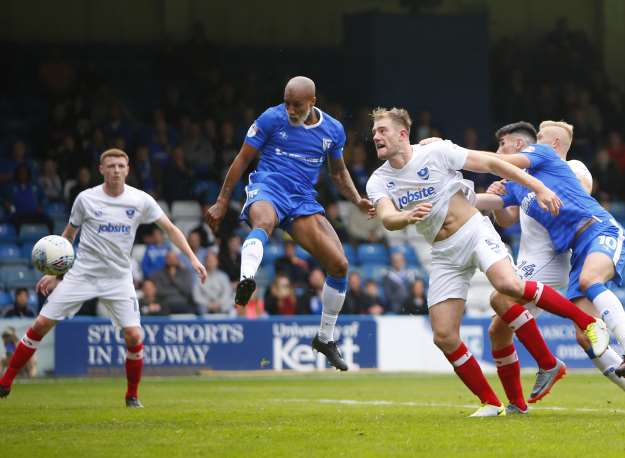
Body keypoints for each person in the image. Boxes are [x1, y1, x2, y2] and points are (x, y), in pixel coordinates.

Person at [365, 107, 608, 417]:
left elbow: (491, 163)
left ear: (402, 134)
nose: (375, 136)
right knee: (444, 335)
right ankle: (492, 404)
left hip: (474, 231)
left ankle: (588, 323)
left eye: (382, 130)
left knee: (507, 286)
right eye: (374, 132)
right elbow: (386, 217)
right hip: (444, 253)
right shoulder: (379, 180)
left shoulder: (436, 151)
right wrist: (403, 216)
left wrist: (539, 186)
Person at [0, 149, 207, 407]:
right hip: (82, 274)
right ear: (101, 169)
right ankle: (5, 381)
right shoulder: (86, 199)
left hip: (119, 278)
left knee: (134, 337)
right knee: (40, 325)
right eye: (111, 166)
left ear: (128, 169)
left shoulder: (140, 200)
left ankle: (132, 395)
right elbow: (67, 237)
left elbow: (171, 229)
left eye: (120, 165)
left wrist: (193, 259)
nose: (116, 170)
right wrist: (56, 274)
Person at [205, 76, 373, 370]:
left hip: (302, 201)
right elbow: (242, 160)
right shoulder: (271, 119)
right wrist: (221, 201)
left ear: (313, 102)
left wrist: (357, 199)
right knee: (264, 222)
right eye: (287, 104)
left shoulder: (332, 130)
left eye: (297, 105)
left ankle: (324, 338)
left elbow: (338, 173)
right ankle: (246, 278)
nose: (291, 110)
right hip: (268, 187)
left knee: (340, 265)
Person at [475, 121, 625, 412]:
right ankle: (518, 402)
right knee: (503, 330)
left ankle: (547, 364)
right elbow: (505, 216)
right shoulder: (523, 182)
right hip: (550, 259)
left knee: (501, 298)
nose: (499, 150)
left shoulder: (567, 166)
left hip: (558, 257)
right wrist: (450, 197)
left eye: (502, 145)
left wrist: (451, 153)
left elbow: (579, 190)